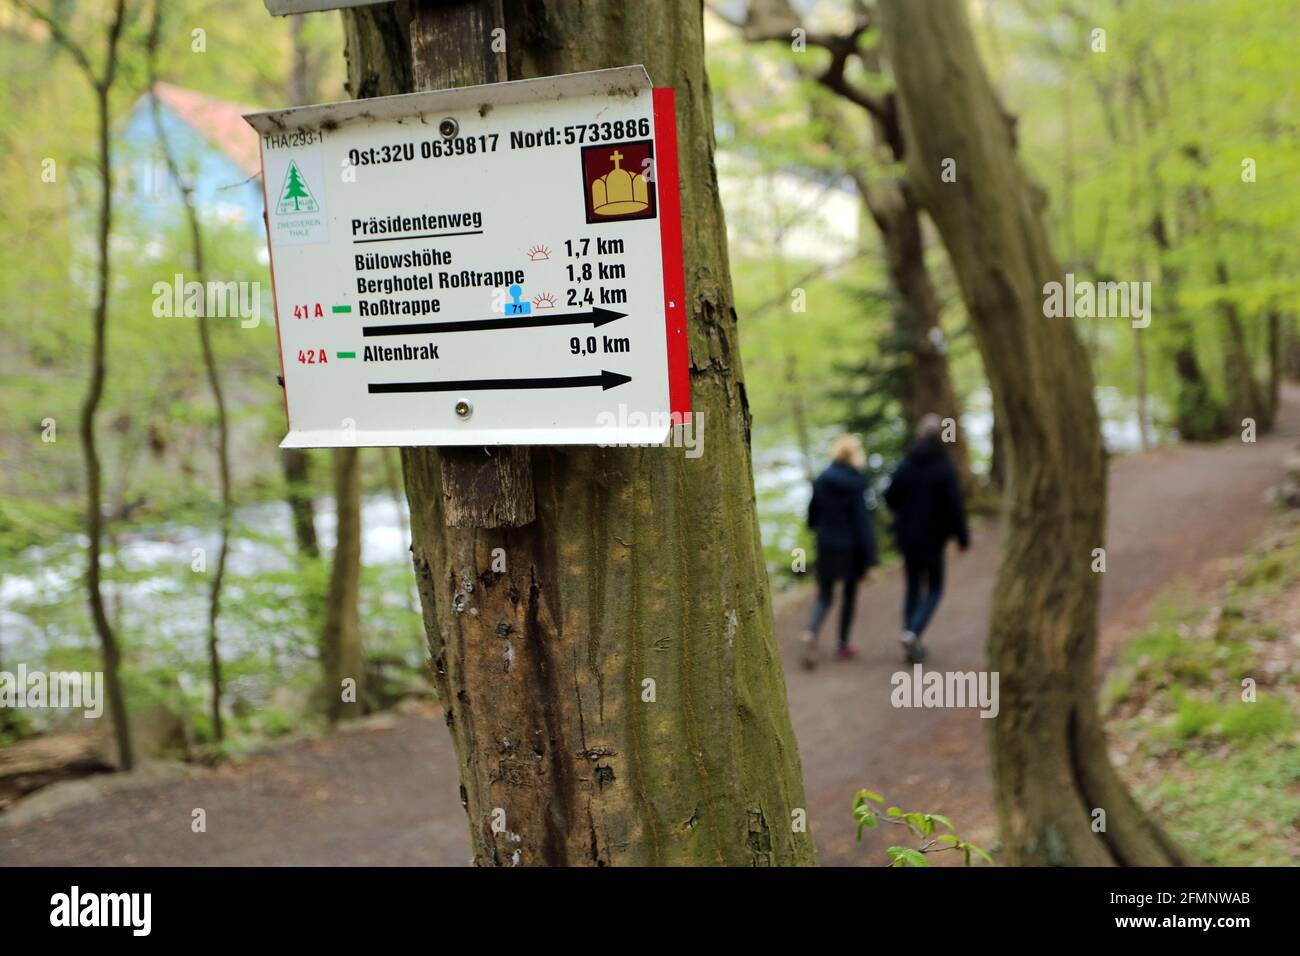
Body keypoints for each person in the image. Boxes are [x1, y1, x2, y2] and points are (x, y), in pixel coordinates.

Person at [883, 414, 969, 664]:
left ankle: (910, 637)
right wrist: (962, 538)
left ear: (920, 435)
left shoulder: (906, 463)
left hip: (908, 538)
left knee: (912, 587)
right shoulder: (944, 466)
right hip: (933, 540)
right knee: (935, 588)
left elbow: (889, 496)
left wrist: (905, 513)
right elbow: (955, 506)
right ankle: (913, 632)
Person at [800, 434, 878, 669]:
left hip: (827, 544)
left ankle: (811, 632)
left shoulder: (823, 479)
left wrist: (817, 528)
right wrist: (870, 555)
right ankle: (842, 644)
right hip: (851, 547)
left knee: (825, 595)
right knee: (849, 595)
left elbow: (813, 514)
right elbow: (862, 522)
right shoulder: (856, 482)